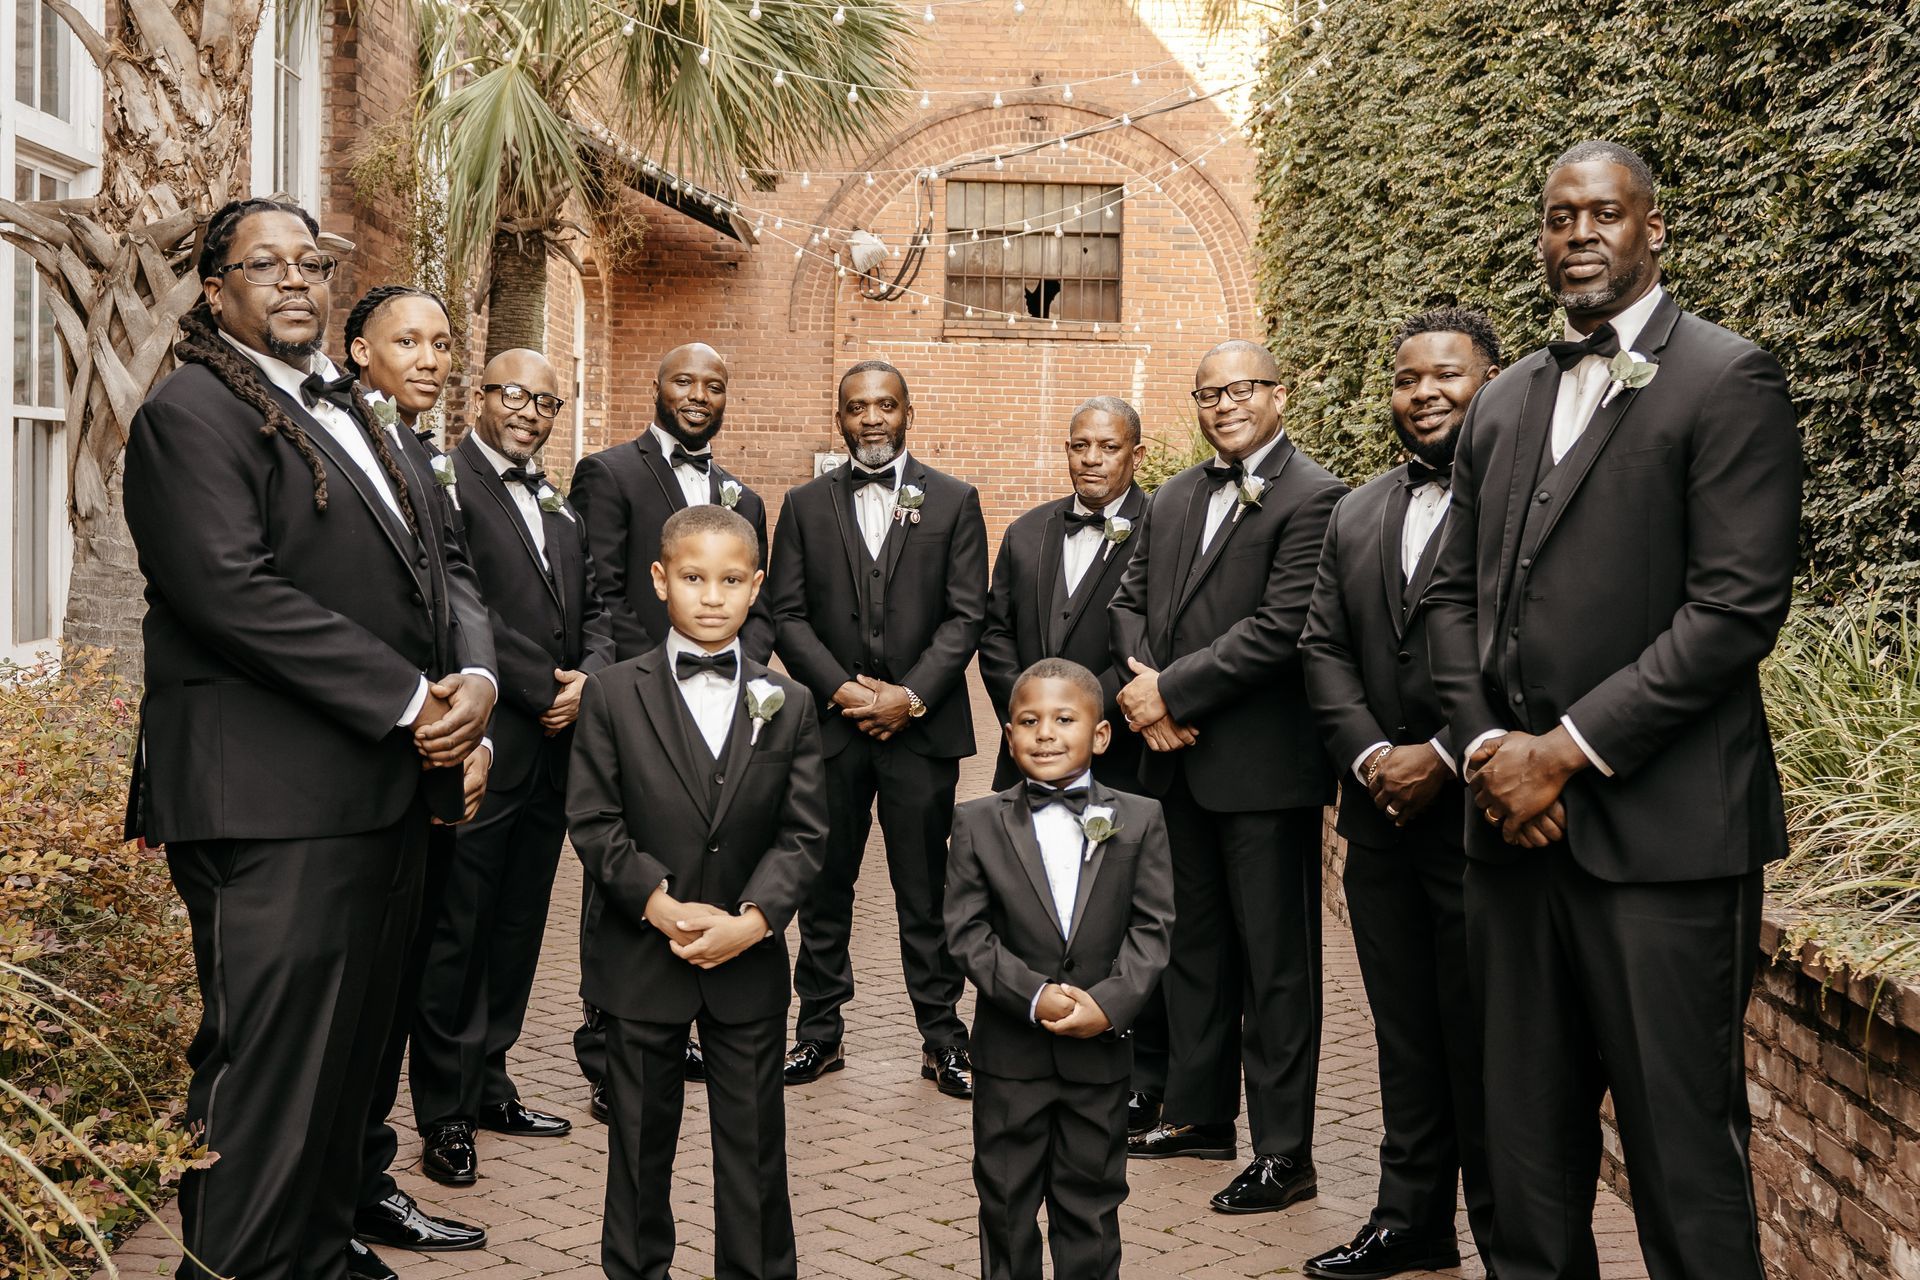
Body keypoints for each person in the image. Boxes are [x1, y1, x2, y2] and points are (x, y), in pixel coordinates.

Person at [1425, 140, 1800, 1280]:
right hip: (1513, 842)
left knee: (1683, 1165)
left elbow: (1734, 612)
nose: (1578, 233)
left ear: (1654, 231)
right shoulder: (1503, 406)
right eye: (1557, 216)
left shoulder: (1728, 379)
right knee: (1524, 1166)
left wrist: (1569, 753)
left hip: (1667, 850)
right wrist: (1496, 751)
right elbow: (1449, 596)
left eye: (1604, 213)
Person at [122, 198, 497, 1280]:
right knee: (272, 1069)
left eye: (310, 262)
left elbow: (445, 561)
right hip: (272, 803)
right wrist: (410, 699)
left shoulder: (360, 412)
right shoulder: (191, 415)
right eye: (263, 263)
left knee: (350, 1064)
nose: (293, 279)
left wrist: (471, 680)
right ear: (215, 288)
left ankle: (320, 1251)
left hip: (384, 796)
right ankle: (234, 1266)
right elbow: (228, 591)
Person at [1108, 340, 1346, 1216]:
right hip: (1173, 767)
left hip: (1263, 771)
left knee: (1277, 969)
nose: (1224, 405)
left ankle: (1287, 1154)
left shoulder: (1317, 498)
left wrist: (1165, 691)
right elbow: (1126, 602)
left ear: (1278, 394)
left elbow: (1283, 629)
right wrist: (1148, 698)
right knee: (1192, 950)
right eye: (1209, 393)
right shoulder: (1171, 495)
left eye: (1241, 389)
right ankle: (1200, 1115)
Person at [567, 504, 829, 1280]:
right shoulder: (611, 695)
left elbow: (805, 833)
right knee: (639, 1154)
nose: (710, 596)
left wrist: (754, 922)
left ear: (755, 588)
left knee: (753, 1156)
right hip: (641, 959)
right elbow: (593, 818)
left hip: (745, 967)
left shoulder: (792, 703)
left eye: (728, 580)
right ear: (660, 580)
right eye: (692, 578)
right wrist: (657, 903)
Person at [1298, 306, 1502, 1278]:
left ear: (1493, 381)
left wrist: (1447, 755)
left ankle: (1515, 1239)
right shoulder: (1356, 509)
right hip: (1379, 822)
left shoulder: (1527, 501)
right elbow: (1321, 646)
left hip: (1487, 823)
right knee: (1406, 1035)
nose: (1423, 392)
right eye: (1407, 376)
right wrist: (1374, 754)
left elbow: (1536, 655)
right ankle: (1411, 1219)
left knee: (1493, 1045)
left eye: (1447, 375)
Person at [411, 348, 615, 1186]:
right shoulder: (446, 483)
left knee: (519, 920)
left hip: (557, 745)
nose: (532, 412)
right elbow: (468, 607)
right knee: (462, 923)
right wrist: (541, 688)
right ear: (482, 397)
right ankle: (445, 1112)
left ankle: (491, 1080)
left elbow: (596, 603)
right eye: (517, 396)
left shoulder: (558, 506)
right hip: (493, 736)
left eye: (548, 402)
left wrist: (592, 676)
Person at [769, 360, 989, 1096]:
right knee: (822, 888)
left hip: (920, 734)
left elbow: (966, 616)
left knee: (926, 889)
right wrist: (840, 691)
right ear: (839, 418)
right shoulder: (802, 505)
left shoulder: (955, 501)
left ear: (907, 413)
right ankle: (819, 1034)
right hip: (829, 734)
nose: (871, 418)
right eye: (857, 406)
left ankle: (942, 1038)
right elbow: (786, 614)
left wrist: (910, 695)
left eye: (885, 405)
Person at [569, 342, 770, 1112]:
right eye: (682, 380)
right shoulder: (610, 472)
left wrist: (745, 678)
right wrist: (642, 685)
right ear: (657, 387)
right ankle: (607, 1049)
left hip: (726, 704)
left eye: (712, 384)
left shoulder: (741, 496)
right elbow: (605, 590)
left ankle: (686, 1014)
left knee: (705, 856)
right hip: (641, 699)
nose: (697, 394)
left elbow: (760, 603)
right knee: (621, 871)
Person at [339, 284, 490, 1260]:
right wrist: (418, 712)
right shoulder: (338, 444)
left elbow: (461, 584)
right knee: (348, 1008)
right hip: (357, 764)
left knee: (391, 997)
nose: (432, 357)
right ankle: (330, 1204)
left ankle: (367, 1179)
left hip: (431, 763)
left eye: (443, 341)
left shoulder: (421, 454)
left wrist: (476, 694)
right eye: (409, 340)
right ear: (358, 350)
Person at [944, 657, 1175, 1280]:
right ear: (1009, 734)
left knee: (1091, 1210)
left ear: (1100, 735)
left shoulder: (1141, 818)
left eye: (1064, 718)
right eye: (1029, 720)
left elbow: (1152, 929)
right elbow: (967, 933)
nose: (1045, 732)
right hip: (1010, 1059)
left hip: (1098, 1060)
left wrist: (1110, 1004)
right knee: (1006, 1209)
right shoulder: (976, 823)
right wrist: (1034, 994)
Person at [976, 394, 1166, 1133]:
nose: (1090, 459)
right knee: (1022, 906)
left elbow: (1154, 644)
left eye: (1107, 447)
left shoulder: (1163, 529)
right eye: (1079, 446)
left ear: (1135, 455)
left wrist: (1091, 723)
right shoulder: (1026, 534)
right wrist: (1030, 720)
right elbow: (995, 635)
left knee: (1116, 918)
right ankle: (1019, 1047)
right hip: (1024, 763)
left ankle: (1140, 1074)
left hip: (1117, 761)